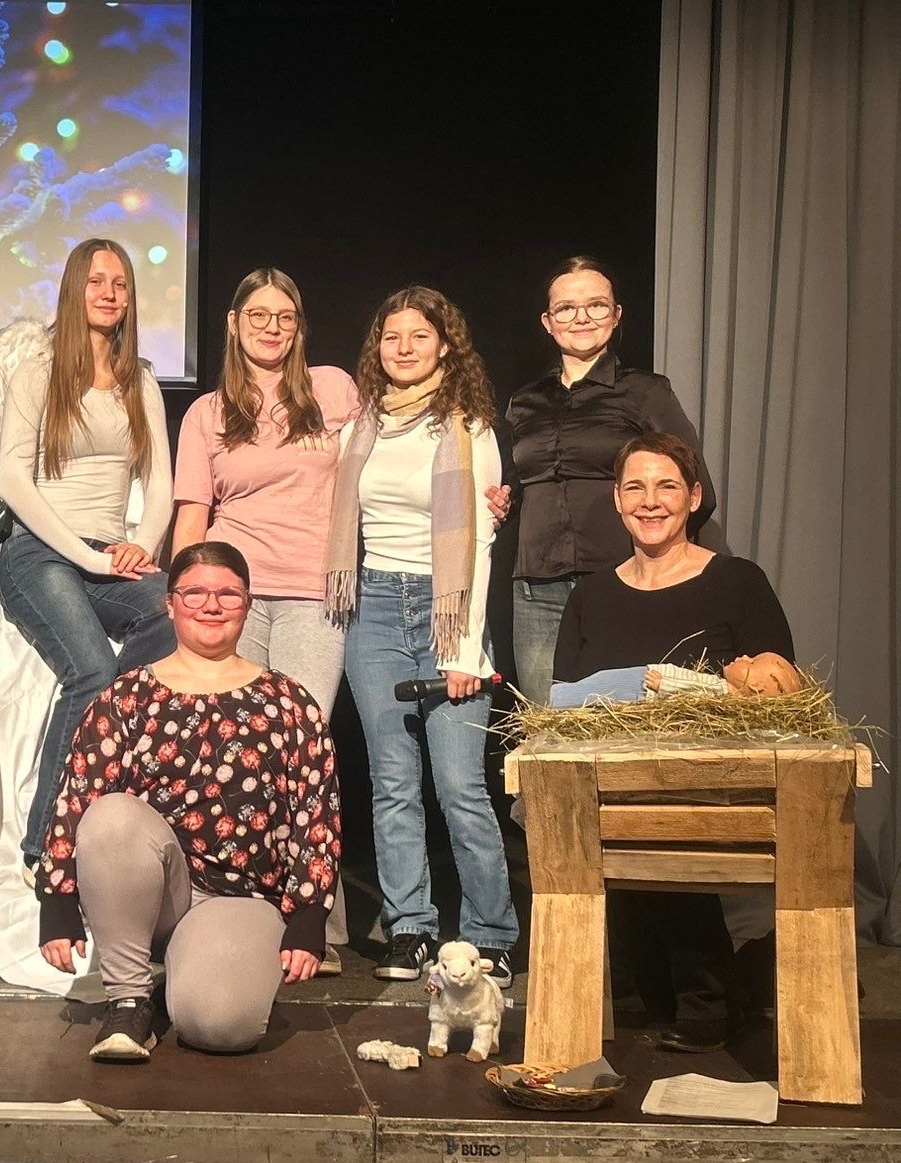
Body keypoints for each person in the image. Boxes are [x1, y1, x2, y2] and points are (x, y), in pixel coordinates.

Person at [38, 542, 339, 1060]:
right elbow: (77, 796)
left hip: (240, 897)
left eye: (228, 594)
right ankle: (129, 1000)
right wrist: (57, 898)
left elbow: (317, 812)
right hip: (153, 894)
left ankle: (189, 974)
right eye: (194, 592)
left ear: (247, 604)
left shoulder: (289, 702)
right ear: (170, 603)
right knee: (111, 817)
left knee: (221, 1027)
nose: (211, 605)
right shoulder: (126, 696)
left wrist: (309, 913)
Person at [553, 432, 794, 1052]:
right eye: (635, 487)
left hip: (710, 787)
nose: (650, 500)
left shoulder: (736, 581)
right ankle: (675, 990)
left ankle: (705, 994)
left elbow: (780, 689)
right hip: (611, 785)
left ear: (693, 496)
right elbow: (565, 702)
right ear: (617, 499)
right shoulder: (591, 595)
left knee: (661, 809)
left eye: (667, 486)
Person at [325, 287, 518, 989]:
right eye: (391, 337)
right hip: (374, 607)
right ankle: (410, 928)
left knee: (460, 787)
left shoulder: (469, 427)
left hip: (448, 611)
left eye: (419, 336)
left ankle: (491, 933)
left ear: (445, 346)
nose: (404, 349)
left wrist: (465, 650)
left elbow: (482, 545)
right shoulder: (360, 427)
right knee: (392, 783)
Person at [172, 268, 358, 972]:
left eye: (284, 316)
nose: (271, 327)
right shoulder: (208, 412)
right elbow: (194, 513)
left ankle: (314, 922)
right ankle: (225, 912)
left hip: (314, 592)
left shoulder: (334, 389)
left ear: (298, 325)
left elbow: (393, 456)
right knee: (227, 749)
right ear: (234, 322)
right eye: (258, 314)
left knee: (302, 748)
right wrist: (186, 594)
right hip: (233, 596)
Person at [0, 238, 176, 866]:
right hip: (39, 552)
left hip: (107, 552)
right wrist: (92, 558)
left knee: (170, 610)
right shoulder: (39, 370)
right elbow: (13, 480)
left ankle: (113, 741)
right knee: (93, 669)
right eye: (96, 281)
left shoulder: (140, 379)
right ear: (74, 288)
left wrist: (139, 547)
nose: (108, 293)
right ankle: (44, 845)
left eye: (119, 283)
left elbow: (161, 482)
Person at [503, 256, 715, 706]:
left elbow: (695, 489)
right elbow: (510, 489)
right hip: (538, 590)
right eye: (566, 308)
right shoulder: (524, 402)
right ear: (547, 322)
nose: (581, 317)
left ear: (616, 315)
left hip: (622, 582)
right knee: (546, 725)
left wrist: (660, 568)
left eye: (596, 305)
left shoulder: (645, 392)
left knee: (627, 719)